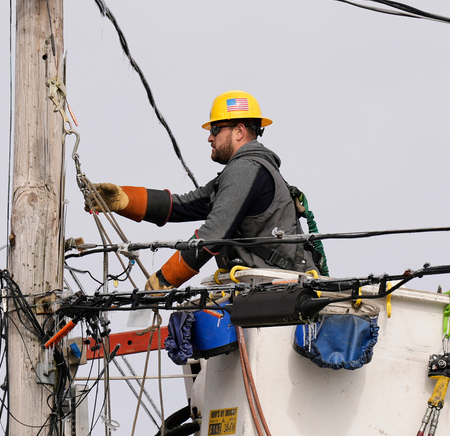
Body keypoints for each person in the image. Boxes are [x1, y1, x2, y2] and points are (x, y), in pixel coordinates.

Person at [86, 90, 317, 290]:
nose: (209, 137)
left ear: (239, 131)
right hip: (265, 283)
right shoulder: (243, 172)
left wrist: (165, 278)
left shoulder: (247, 168)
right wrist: (124, 200)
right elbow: (184, 205)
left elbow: (212, 235)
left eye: (216, 129)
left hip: (278, 286)